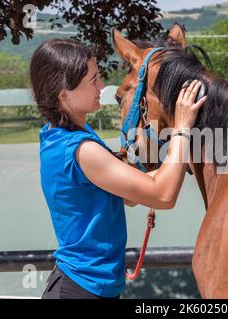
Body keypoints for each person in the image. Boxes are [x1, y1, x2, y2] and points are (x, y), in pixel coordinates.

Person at [29, 38, 206, 299]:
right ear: (63, 94)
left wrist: (179, 162)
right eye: (93, 80)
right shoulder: (81, 150)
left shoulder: (59, 136)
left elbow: (130, 193)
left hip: (88, 286)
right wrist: (181, 129)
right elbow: (163, 195)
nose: (101, 85)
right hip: (81, 291)